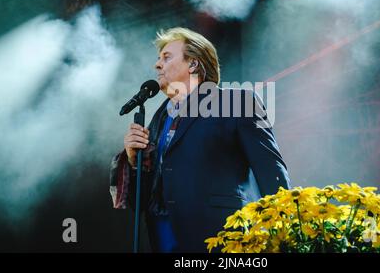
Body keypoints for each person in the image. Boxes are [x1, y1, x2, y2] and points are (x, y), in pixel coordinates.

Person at [110, 27, 291, 252]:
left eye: (166, 57)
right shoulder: (160, 118)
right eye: (158, 59)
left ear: (193, 64)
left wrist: (285, 235)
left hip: (219, 238)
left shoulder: (237, 101)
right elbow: (142, 199)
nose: (157, 65)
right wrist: (133, 159)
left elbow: (271, 171)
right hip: (162, 238)